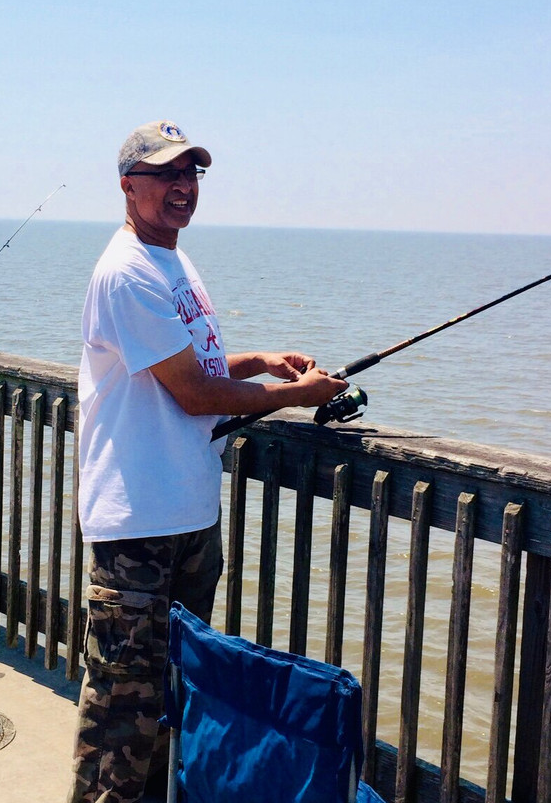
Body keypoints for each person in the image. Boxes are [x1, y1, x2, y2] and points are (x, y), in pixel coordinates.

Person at [67, 120, 346, 803]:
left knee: (173, 695)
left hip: (189, 512)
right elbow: (192, 393)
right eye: (165, 175)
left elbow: (196, 364)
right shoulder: (126, 270)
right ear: (128, 186)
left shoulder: (173, 261)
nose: (181, 188)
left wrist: (261, 361)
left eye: (190, 175)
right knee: (120, 710)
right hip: (138, 524)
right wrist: (293, 394)